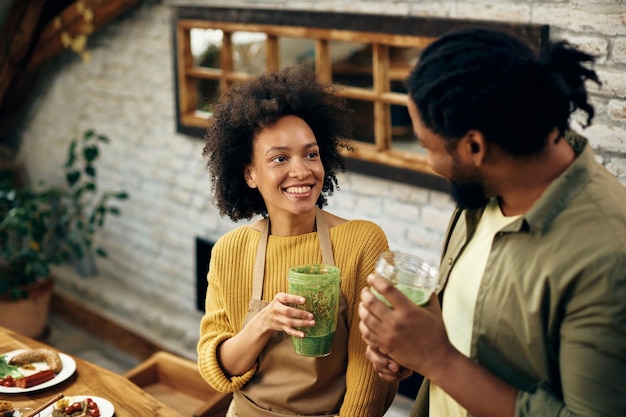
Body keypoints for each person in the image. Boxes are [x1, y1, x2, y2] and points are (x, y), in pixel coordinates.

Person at [358, 28, 626, 417]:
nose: (429, 163)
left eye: (426, 147)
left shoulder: (607, 256)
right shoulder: (484, 193)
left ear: (475, 147)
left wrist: (436, 358)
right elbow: (474, 337)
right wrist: (411, 347)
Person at [197, 66, 398, 417]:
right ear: (249, 174)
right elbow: (219, 369)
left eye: (311, 154)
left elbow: (370, 371)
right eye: (279, 158)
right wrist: (264, 322)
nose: (302, 171)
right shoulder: (231, 251)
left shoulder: (362, 243)